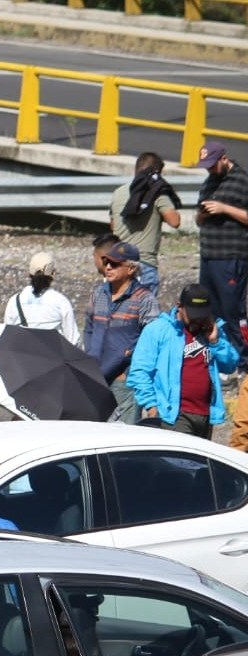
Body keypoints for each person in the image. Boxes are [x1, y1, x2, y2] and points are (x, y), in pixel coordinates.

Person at [127, 284, 238, 439]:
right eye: (193, 313)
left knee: (201, 463)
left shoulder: (212, 329)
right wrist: (152, 406)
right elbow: (139, 371)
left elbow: (230, 366)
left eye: (202, 314)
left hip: (205, 414)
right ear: (179, 306)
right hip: (173, 415)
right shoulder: (159, 329)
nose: (198, 318)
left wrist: (215, 342)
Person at [83, 241, 160, 424]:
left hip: (124, 382)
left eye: (115, 264)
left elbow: (152, 342)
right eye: (106, 262)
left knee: (124, 439)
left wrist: (130, 365)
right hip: (96, 379)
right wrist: (89, 356)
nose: (108, 267)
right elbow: (88, 328)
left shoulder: (145, 300)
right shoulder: (98, 294)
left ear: (131, 269)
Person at [196, 141, 248, 371]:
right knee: (210, 311)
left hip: (232, 256)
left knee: (232, 311)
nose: (209, 170)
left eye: (212, 165)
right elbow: (197, 219)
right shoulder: (209, 182)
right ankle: (222, 360)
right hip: (209, 255)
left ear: (224, 158)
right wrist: (203, 215)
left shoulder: (242, 180)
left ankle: (242, 361)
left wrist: (225, 209)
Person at [110, 151, 181, 296]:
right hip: (144, 264)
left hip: (117, 263)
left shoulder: (118, 192)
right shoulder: (157, 193)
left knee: (118, 313)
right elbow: (175, 222)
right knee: (145, 316)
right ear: (157, 172)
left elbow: (113, 226)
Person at [2, 252, 81, 346]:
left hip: (23, 356)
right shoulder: (60, 302)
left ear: (29, 274)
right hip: (52, 357)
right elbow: (73, 339)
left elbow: (7, 336)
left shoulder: (15, 301)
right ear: (53, 274)